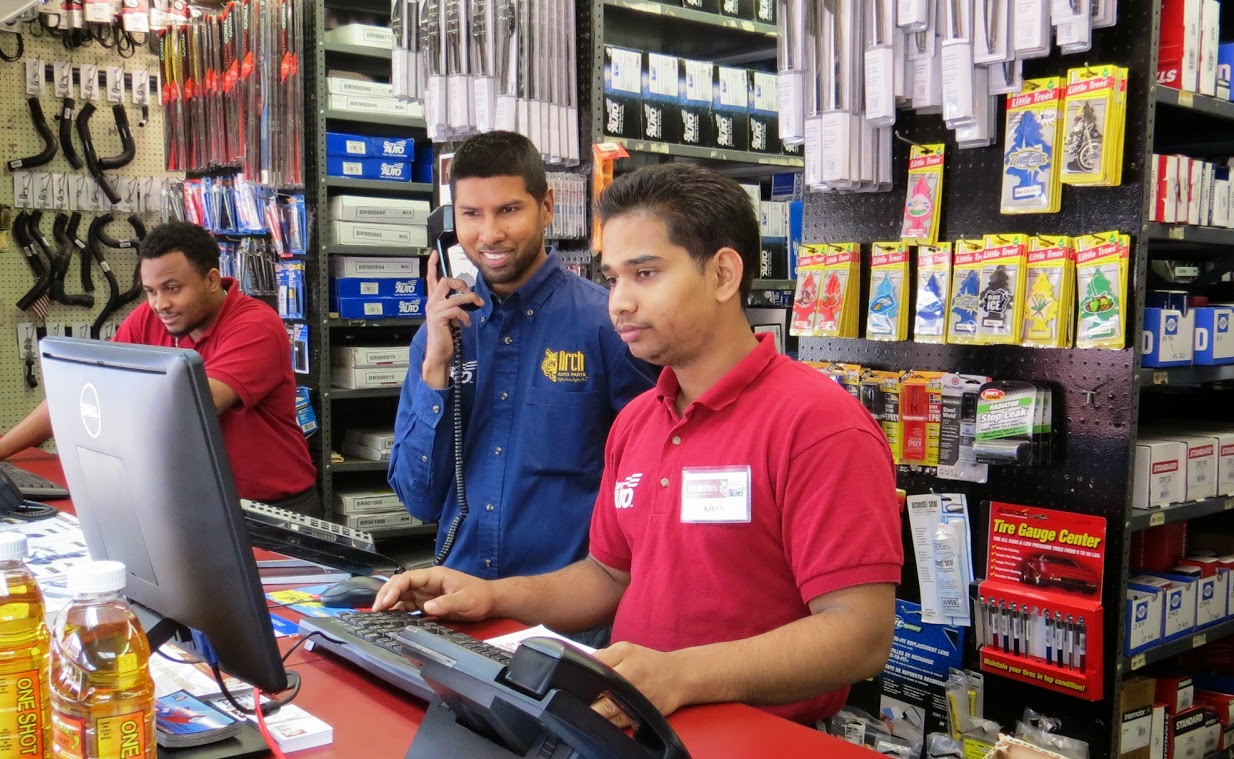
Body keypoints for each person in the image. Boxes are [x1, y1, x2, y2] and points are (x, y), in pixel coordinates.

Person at [375, 163, 902, 726]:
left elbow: (860, 634)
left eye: (645, 274)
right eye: (612, 279)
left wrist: (681, 675)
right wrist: (492, 596)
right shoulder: (637, 422)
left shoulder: (819, 425)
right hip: (635, 728)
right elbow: (607, 576)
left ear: (724, 274)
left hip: (758, 738)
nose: (618, 303)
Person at [389, 132, 655, 580]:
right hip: (463, 597)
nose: (490, 234)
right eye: (471, 214)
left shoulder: (609, 325)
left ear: (546, 207)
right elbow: (419, 500)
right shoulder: (438, 336)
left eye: (508, 210)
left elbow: (648, 485)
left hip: (573, 613)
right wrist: (435, 370)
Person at [0, 221, 319, 512]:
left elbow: (191, 406)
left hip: (271, 511)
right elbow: (84, 392)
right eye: (150, 291)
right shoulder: (149, 319)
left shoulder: (257, 326)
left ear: (212, 280)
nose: (161, 304)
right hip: (194, 503)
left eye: (173, 288)